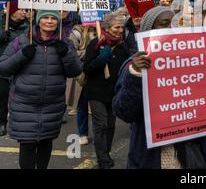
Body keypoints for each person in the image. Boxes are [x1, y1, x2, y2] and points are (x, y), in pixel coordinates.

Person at [112, 6, 206, 169]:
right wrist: (135, 74)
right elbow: (124, 112)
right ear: (149, 30)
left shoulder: (189, 60)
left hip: (191, 152)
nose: (171, 28)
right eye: (164, 24)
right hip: (152, 156)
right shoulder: (134, 65)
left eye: (175, 23)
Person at [0, 10, 82, 169]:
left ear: (58, 22)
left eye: (53, 18)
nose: (49, 21)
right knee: (28, 144)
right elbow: (3, 68)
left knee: (46, 141)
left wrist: (65, 54)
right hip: (24, 104)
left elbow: (76, 71)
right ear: (38, 20)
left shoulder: (64, 43)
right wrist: (22, 55)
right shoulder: (22, 41)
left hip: (52, 104)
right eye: (45, 17)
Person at [83, 12, 130, 168]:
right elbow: (87, 69)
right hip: (96, 91)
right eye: (117, 27)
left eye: (122, 27)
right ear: (108, 28)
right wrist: (101, 59)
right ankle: (102, 158)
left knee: (110, 124)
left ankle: (106, 152)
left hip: (114, 92)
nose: (120, 30)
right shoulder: (96, 43)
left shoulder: (123, 46)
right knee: (101, 124)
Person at [0, 2, 28, 136]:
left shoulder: (27, 28)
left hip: (20, 68)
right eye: (21, 9)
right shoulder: (2, 25)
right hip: (3, 69)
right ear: (13, 12)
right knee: (2, 97)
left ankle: (17, 124)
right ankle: (1, 123)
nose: (24, 12)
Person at [69, 24, 97, 145]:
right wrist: (91, 51)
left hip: (97, 73)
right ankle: (83, 134)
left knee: (98, 107)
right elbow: (72, 53)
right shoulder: (76, 33)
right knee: (82, 106)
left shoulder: (102, 30)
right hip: (82, 74)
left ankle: (99, 133)